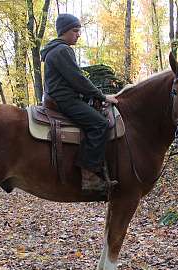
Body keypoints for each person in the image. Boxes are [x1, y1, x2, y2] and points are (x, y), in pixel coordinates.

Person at [40, 13, 119, 194]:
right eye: (75, 31)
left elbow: (71, 81)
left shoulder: (54, 50)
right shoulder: (62, 50)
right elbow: (77, 79)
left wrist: (89, 97)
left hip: (60, 97)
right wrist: (102, 96)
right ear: (65, 31)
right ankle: (89, 177)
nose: (78, 35)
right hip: (64, 101)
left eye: (79, 31)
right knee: (100, 124)